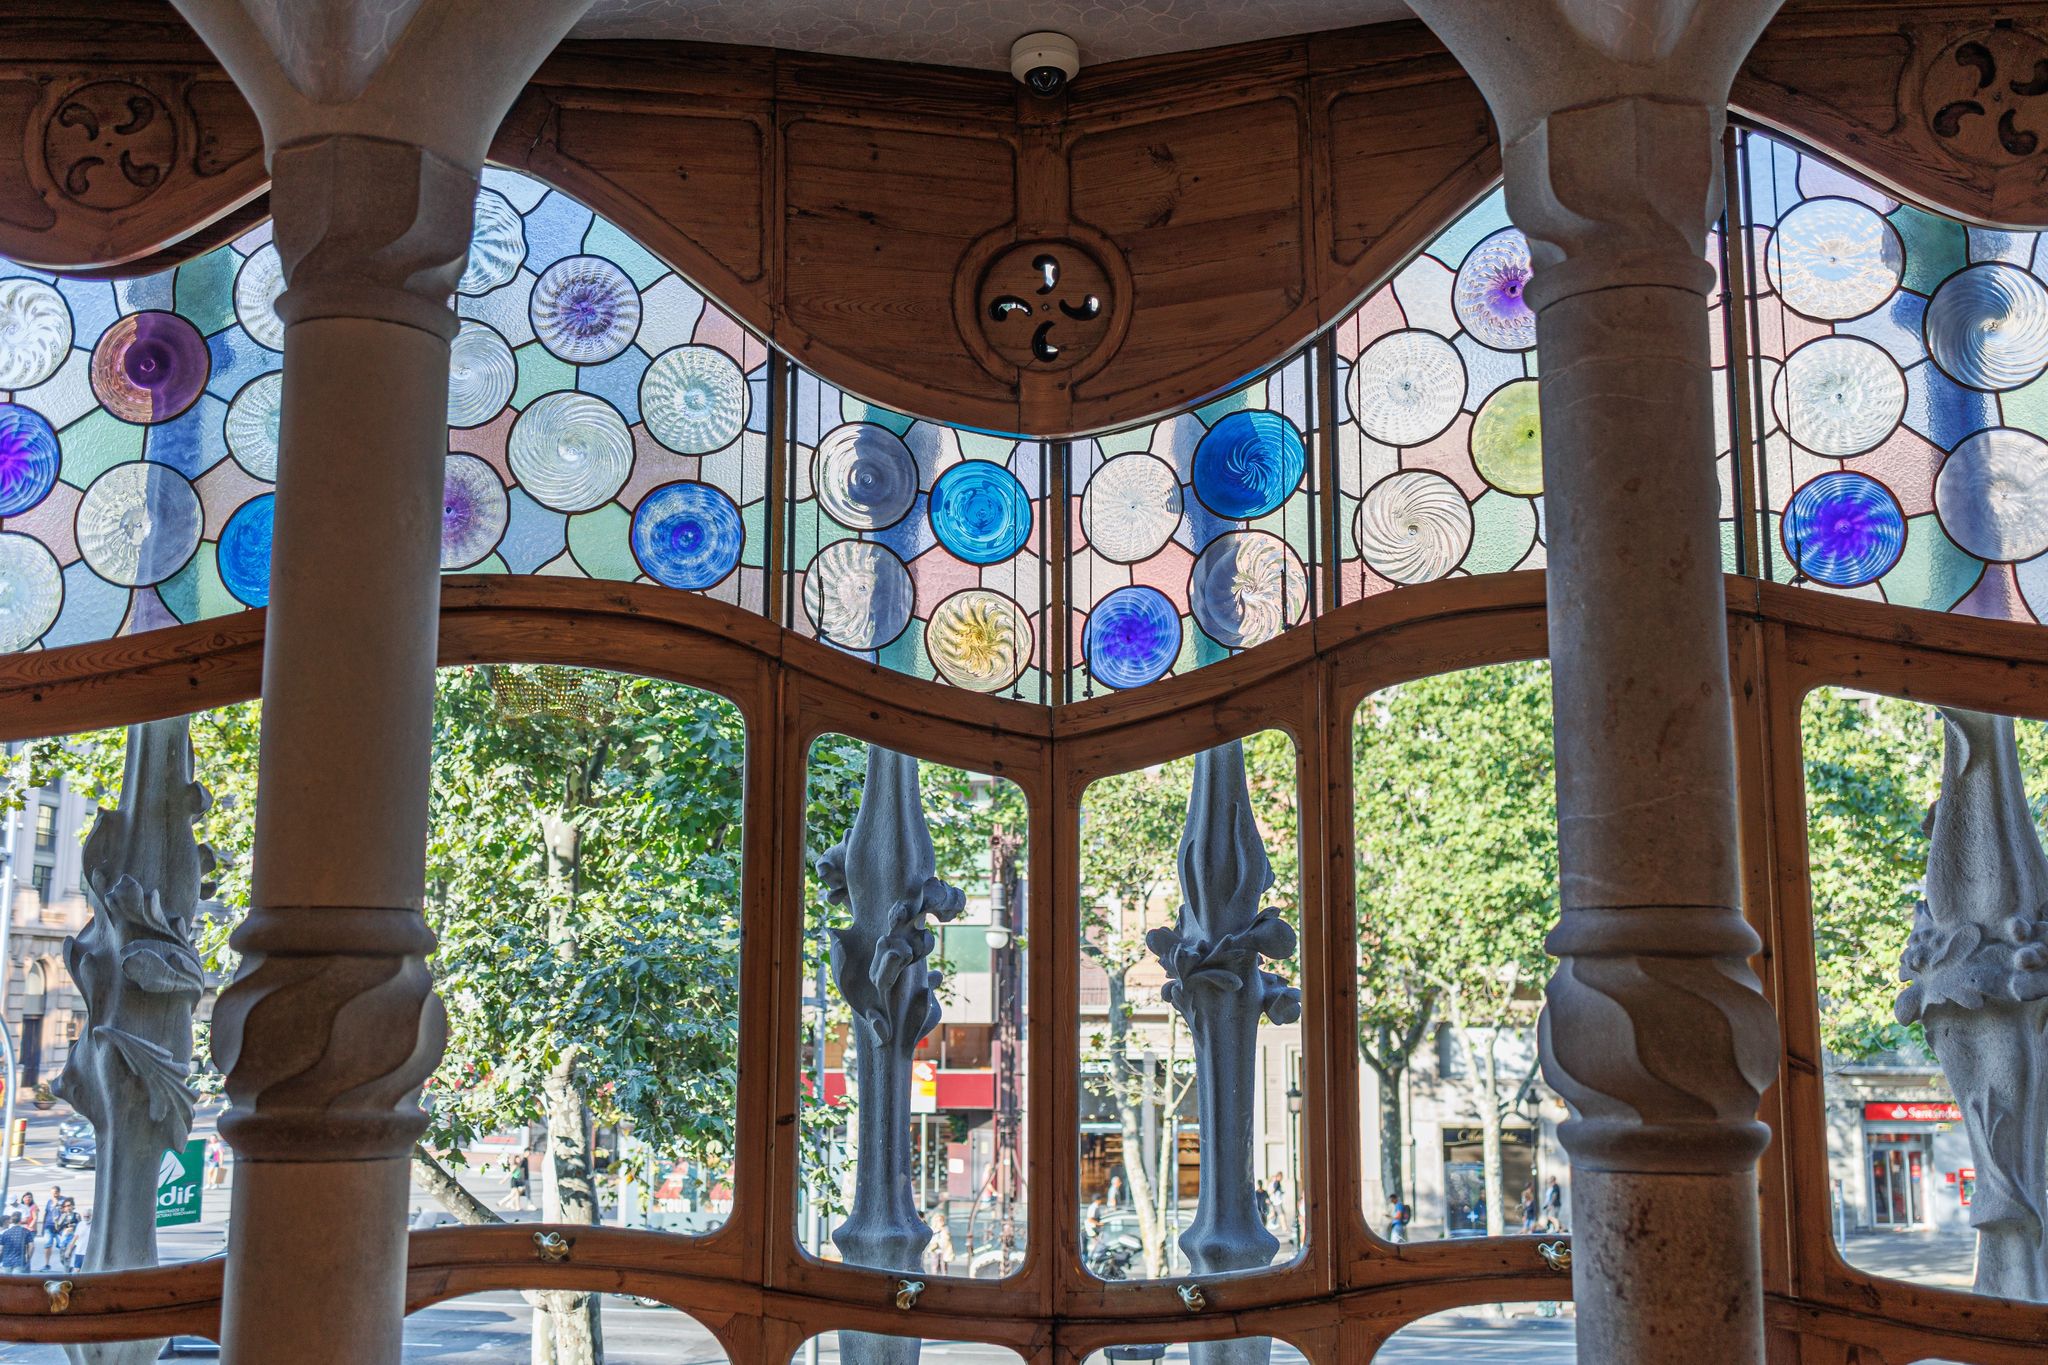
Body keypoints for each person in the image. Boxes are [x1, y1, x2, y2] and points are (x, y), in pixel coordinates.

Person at [41, 1198, 77, 1271]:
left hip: (72, 1239)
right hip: (64, 1239)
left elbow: (81, 1226)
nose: (67, 1208)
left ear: (73, 1206)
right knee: (62, 1259)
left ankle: (67, 1274)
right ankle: (69, 1269)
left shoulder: (76, 1215)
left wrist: (74, 1227)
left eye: (69, 1205)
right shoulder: (63, 1216)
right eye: (65, 1206)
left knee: (67, 1257)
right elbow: (57, 1228)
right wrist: (56, 1221)